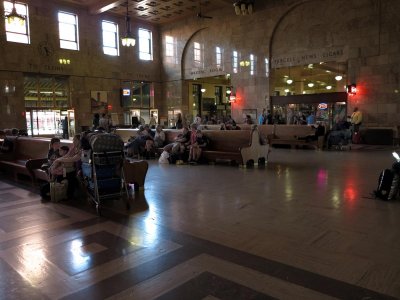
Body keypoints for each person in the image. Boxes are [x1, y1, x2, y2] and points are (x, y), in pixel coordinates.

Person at [50, 134, 82, 199]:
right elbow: (67, 155)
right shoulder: (73, 148)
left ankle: (69, 194)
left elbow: (74, 159)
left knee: (70, 177)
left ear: (80, 141)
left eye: (75, 140)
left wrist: (58, 160)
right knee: (60, 175)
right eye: (73, 140)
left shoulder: (81, 150)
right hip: (71, 169)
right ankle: (59, 192)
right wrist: (57, 160)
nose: (73, 141)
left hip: (79, 169)